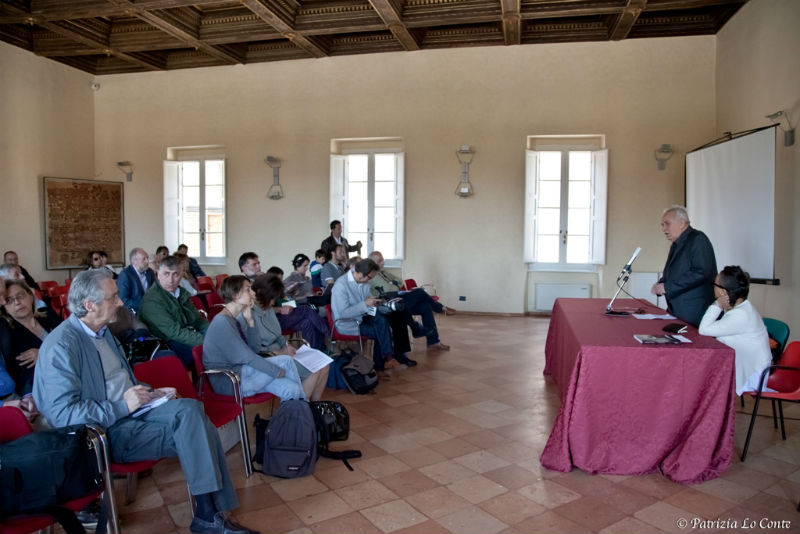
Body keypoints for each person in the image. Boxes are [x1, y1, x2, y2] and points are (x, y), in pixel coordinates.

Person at [32, 269, 257, 534]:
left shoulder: (103, 333)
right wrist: (122, 406)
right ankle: (210, 513)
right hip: (104, 433)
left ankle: (209, 514)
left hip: (133, 413)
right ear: (89, 305)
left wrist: (150, 392)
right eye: (113, 297)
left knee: (192, 409)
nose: (120, 303)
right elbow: (63, 414)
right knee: (193, 424)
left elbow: (121, 382)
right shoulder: (61, 346)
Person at [203, 275, 307, 402]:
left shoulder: (230, 318)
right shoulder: (222, 322)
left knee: (292, 389)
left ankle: (293, 418)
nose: (253, 293)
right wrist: (276, 371)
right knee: (286, 361)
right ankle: (307, 411)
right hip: (232, 381)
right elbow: (248, 357)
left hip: (243, 372)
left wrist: (250, 321)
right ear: (236, 295)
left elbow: (254, 349)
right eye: (248, 289)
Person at [249, 274, 329, 401]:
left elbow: (278, 335)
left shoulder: (267, 308)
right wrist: (281, 352)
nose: (274, 302)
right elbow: (256, 351)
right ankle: (302, 408)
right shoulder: (250, 314)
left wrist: (287, 346)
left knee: (324, 365)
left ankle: (315, 405)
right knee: (313, 370)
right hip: (270, 359)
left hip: (282, 354)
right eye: (272, 298)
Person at [698, 266, 772, 396]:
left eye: (714, 285)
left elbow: (703, 330)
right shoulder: (742, 309)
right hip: (748, 366)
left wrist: (717, 304)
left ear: (723, 292)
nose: (713, 288)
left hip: (752, 375)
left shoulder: (741, 315)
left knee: (702, 375)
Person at [368, 251, 450, 351]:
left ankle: (433, 342)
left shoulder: (383, 273)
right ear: (371, 263)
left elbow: (399, 280)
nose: (383, 262)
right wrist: (394, 283)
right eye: (379, 261)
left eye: (382, 260)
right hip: (390, 305)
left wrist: (394, 283)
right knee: (420, 292)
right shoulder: (372, 276)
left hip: (400, 300)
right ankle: (440, 308)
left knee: (426, 306)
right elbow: (390, 289)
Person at [331, 259, 401, 375]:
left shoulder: (364, 282)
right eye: (369, 277)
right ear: (360, 274)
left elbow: (368, 303)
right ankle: (383, 363)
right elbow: (343, 313)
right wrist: (365, 304)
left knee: (382, 318)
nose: (370, 280)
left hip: (361, 317)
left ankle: (387, 359)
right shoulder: (341, 285)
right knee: (380, 330)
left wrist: (377, 305)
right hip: (347, 323)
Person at [650, 206, 717, 326]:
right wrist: (661, 284)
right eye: (662, 225)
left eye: (667, 224)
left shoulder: (698, 239)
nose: (664, 229)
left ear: (681, 223)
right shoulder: (676, 243)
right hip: (678, 309)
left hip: (693, 311)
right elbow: (675, 272)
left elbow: (701, 272)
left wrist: (668, 287)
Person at [140, 255, 209, 368]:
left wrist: (214, 334)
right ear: (158, 273)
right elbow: (175, 332)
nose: (170, 280)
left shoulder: (180, 293)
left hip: (187, 334)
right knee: (208, 351)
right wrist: (208, 342)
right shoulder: (152, 300)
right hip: (168, 342)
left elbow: (198, 321)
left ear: (182, 275)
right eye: (166, 274)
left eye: (175, 274)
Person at [2, 279, 61, 397]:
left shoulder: (49, 316)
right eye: (9, 301)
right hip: (42, 389)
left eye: (20, 296)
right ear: (5, 308)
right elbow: (23, 373)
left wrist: (44, 354)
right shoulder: (8, 333)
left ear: (30, 296)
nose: (17, 302)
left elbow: (73, 343)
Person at [116, 247, 155, 313]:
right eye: (144, 259)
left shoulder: (150, 272)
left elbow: (154, 291)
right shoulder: (125, 274)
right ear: (134, 261)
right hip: (133, 312)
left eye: (147, 258)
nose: (147, 261)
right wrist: (144, 305)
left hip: (150, 309)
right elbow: (123, 300)